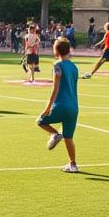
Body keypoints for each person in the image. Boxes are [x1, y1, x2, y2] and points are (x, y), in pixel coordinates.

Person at [37, 38, 80, 174]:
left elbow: (55, 89)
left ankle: (55, 134)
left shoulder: (57, 66)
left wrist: (48, 108)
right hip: (74, 107)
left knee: (40, 121)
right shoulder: (74, 67)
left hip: (61, 104)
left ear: (56, 51)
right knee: (68, 137)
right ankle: (73, 164)